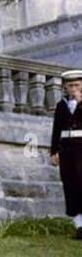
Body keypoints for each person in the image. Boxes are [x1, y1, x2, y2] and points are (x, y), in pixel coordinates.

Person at [49, 69, 82, 240]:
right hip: (67, 151)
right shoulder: (61, 105)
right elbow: (56, 130)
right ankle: (79, 226)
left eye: (77, 85)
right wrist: (54, 151)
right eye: (70, 86)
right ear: (65, 87)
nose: (74, 88)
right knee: (70, 185)